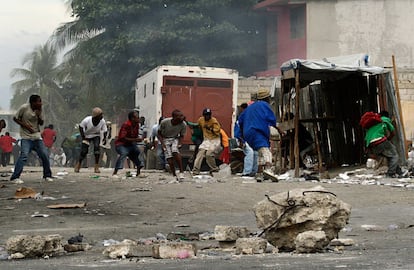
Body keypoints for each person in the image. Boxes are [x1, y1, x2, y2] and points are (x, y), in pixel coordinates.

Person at [238, 89, 283, 182]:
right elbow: (271, 119)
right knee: (266, 151)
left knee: (260, 153)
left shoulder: (249, 108)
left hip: (248, 134)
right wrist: (279, 129)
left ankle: (259, 174)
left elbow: (240, 121)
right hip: (257, 131)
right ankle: (268, 169)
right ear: (267, 98)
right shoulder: (265, 105)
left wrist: (241, 136)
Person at [10, 94, 53, 183]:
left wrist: (38, 115)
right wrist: (25, 126)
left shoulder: (40, 110)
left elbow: (41, 123)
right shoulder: (24, 108)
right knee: (24, 155)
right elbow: (15, 118)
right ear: (33, 102)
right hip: (26, 137)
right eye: (39, 101)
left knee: (44, 155)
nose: (41, 103)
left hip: (36, 136)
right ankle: (15, 177)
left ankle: (47, 175)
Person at [363, 111, 406, 178]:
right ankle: (390, 173)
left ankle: (399, 172)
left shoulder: (375, 122)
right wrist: (388, 139)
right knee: (394, 155)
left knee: (390, 156)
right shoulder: (385, 120)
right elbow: (393, 132)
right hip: (379, 139)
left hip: (371, 143)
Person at [74, 107, 107, 173]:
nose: (102, 117)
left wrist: (104, 138)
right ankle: (78, 164)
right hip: (87, 136)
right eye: (100, 115)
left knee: (97, 150)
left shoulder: (102, 121)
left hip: (96, 135)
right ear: (96, 116)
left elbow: (105, 130)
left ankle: (96, 167)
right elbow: (81, 127)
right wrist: (83, 137)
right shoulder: (87, 120)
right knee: (84, 151)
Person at [112, 110, 142, 178]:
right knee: (124, 153)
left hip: (130, 144)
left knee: (137, 152)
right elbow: (123, 138)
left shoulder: (136, 125)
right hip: (121, 144)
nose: (138, 119)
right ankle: (115, 172)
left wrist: (138, 139)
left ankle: (138, 171)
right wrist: (135, 140)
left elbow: (135, 136)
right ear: (132, 118)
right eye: (137, 117)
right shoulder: (126, 125)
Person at [157, 110, 187, 180]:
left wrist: (180, 143)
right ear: (174, 117)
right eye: (180, 116)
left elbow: (182, 135)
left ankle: (181, 171)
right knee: (169, 158)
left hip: (174, 138)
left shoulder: (183, 124)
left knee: (175, 151)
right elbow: (159, 133)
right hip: (165, 139)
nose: (182, 117)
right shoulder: (165, 122)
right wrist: (162, 143)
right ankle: (174, 174)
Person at [192, 108, 221, 175]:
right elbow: (197, 127)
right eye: (206, 115)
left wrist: (210, 128)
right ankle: (195, 170)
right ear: (203, 115)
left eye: (208, 115)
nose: (207, 116)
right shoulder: (201, 120)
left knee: (209, 154)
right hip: (206, 140)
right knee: (200, 153)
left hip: (214, 140)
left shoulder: (214, 121)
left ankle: (214, 169)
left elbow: (217, 131)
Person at [234, 103, 258, 177]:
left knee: (255, 153)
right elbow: (238, 131)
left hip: (248, 139)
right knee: (250, 152)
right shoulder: (243, 116)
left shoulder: (248, 116)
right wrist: (241, 140)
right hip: (242, 139)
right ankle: (247, 172)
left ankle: (253, 171)